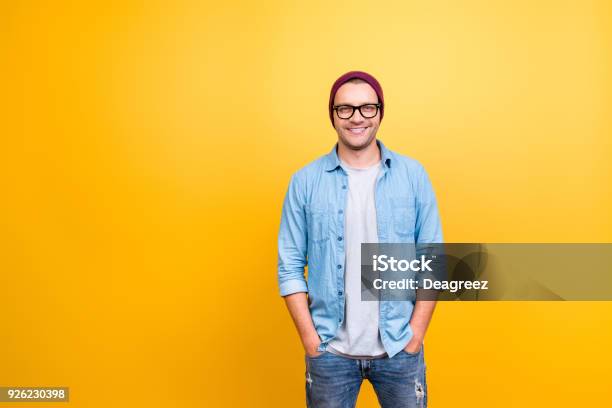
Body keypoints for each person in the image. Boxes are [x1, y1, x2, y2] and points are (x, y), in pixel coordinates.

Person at [277, 71, 443, 408]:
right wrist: (311, 341)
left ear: (381, 112)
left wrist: (415, 336)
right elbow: (290, 266)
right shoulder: (305, 182)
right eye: (345, 109)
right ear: (332, 115)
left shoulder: (413, 176)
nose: (357, 117)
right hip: (330, 352)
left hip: (399, 349)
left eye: (368, 108)